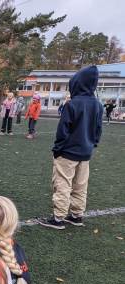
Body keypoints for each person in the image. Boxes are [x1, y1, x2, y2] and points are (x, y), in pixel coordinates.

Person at [39, 65, 103, 230]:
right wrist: (92, 144)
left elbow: (63, 130)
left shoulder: (72, 104)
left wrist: (58, 148)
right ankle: (76, 215)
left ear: (77, 84)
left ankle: (58, 218)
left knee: (62, 183)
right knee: (81, 185)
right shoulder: (97, 105)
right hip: (86, 153)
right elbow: (98, 129)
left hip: (68, 153)